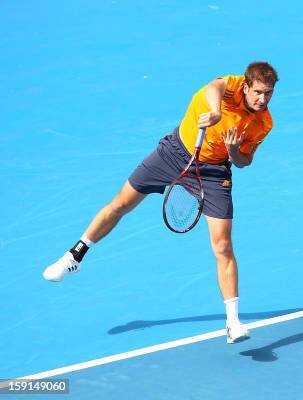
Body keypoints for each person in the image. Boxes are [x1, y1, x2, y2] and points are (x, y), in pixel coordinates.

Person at [42, 61, 278, 344]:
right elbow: (212, 87)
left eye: (269, 94)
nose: (263, 99)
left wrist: (232, 150)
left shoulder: (264, 122)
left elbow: (244, 162)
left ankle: (233, 322)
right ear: (247, 85)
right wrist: (215, 113)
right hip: (174, 153)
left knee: (223, 245)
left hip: (213, 172)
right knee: (121, 204)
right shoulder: (230, 86)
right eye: (259, 92)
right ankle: (74, 257)